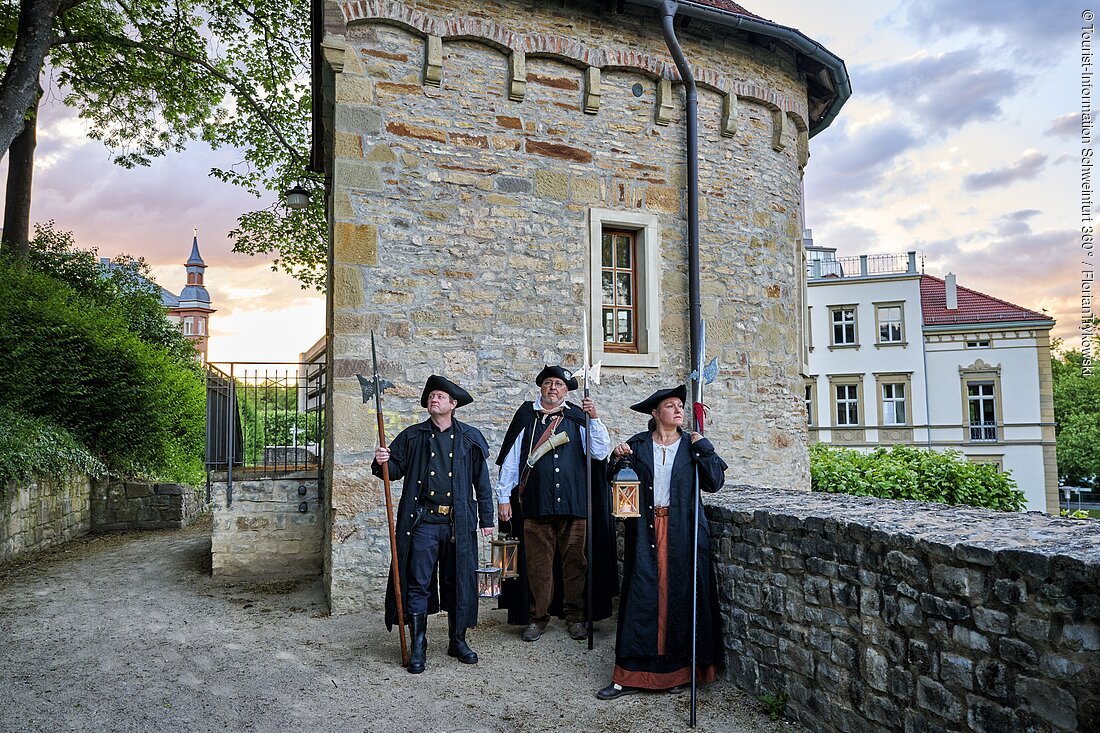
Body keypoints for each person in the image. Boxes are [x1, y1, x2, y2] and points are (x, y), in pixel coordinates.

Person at [596, 385, 727, 700]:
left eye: (680, 405)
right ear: (655, 414)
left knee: (683, 597)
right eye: (670, 406)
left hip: (684, 531)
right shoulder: (638, 445)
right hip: (645, 531)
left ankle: (683, 672)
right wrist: (615, 459)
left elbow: (715, 483)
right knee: (641, 596)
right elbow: (613, 483)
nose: (678, 410)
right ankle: (627, 676)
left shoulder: (692, 445)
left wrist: (705, 448)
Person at [372, 375, 495, 674]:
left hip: (458, 523)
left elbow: (483, 483)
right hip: (423, 522)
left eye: (440, 396)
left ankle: (457, 641)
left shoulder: (469, 438)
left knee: (458, 581)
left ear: (453, 404)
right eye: (431, 396)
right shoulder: (413, 436)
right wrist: (382, 460)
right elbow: (394, 471)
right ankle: (419, 646)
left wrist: (488, 520)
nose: (433, 399)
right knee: (418, 582)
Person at [495, 365, 617, 642]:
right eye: (549, 383)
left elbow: (599, 453)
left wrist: (594, 419)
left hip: (574, 506)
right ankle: (538, 618)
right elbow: (512, 461)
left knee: (575, 563)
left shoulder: (577, 417)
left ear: (566, 390)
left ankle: (575, 616)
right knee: (538, 565)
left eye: (559, 384)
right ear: (541, 387)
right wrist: (504, 497)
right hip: (536, 506)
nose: (553, 387)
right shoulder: (527, 417)